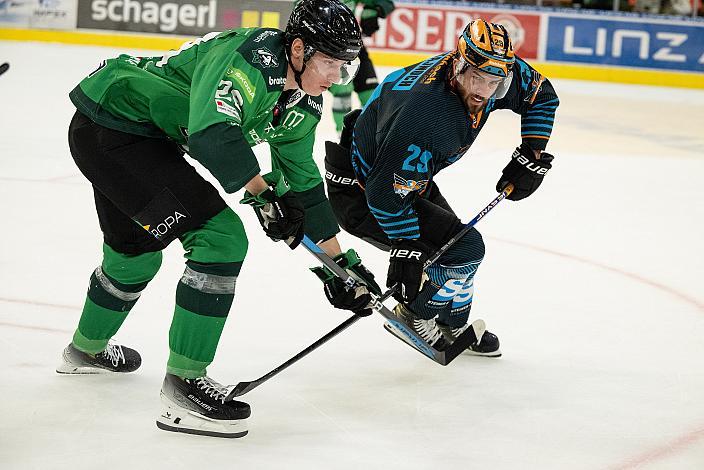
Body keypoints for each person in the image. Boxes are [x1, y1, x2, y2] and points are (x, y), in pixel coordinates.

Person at [56, 0, 380, 439]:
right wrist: (264, 197)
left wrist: (342, 267)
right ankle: (183, 388)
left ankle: (85, 351)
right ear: (298, 49)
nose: (335, 78)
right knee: (221, 237)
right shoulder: (252, 57)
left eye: (345, 66)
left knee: (133, 256)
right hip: (115, 125)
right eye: (328, 63)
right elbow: (213, 132)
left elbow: (303, 186)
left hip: (135, 135)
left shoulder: (304, 105)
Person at [323, 19, 559, 356]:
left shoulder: (494, 67)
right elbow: (385, 196)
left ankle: (452, 324)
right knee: (465, 250)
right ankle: (415, 316)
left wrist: (531, 153)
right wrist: (406, 245)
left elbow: (542, 96)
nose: (483, 90)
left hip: (403, 178)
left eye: (494, 82)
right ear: (459, 65)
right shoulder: (426, 115)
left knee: (456, 251)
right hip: (364, 190)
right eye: (476, 77)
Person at [327, 0, 395, 134]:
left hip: (355, 45)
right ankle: (344, 140)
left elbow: (387, 3)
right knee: (343, 92)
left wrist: (376, 8)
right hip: (328, 47)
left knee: (373, 95)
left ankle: (372, 138)